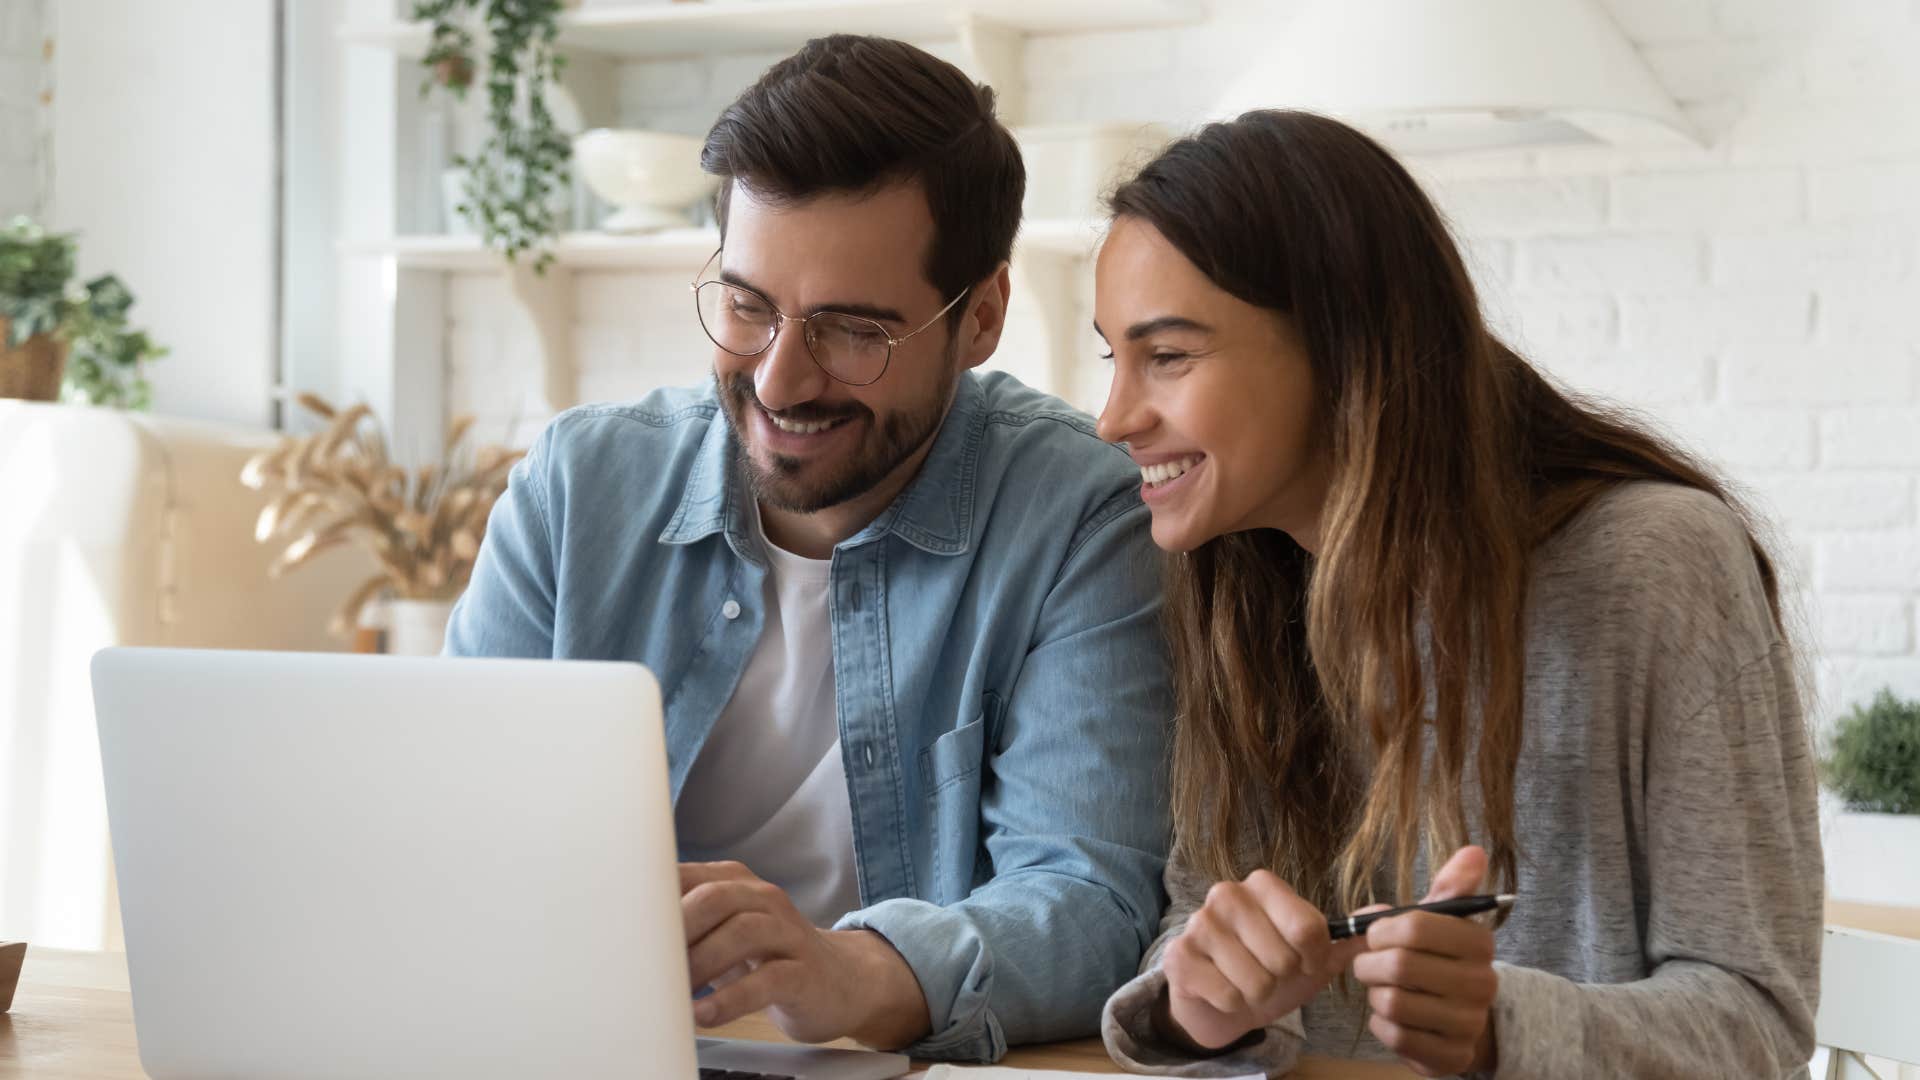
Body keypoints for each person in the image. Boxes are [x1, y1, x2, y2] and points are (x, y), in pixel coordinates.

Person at [446, 35, 1172, 1062]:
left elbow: (1090, 904)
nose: (780, 382)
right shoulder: (576, 488)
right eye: (747, 306)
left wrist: (849, 974)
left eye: (851, 330)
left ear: (983, 319)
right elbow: (447, 830)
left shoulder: (1077, 519)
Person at [1090, 110, 1822, 1078]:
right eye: (1114, 357)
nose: (1113, 419)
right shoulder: (1244, 586)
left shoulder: (1656, 565)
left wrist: (1498, 1028)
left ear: (1343, 347)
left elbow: (1757, 1025)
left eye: (1169, 356)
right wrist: (1197, 1006)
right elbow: (1206, 915)